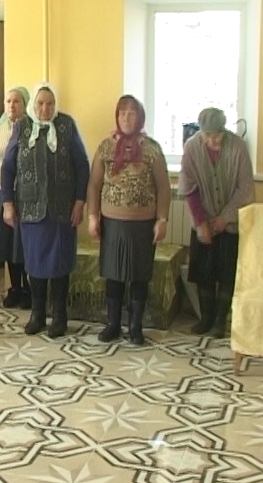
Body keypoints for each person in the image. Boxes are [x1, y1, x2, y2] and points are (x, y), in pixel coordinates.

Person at [1, 83, 90, 338]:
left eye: (50, 103)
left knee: (60, 264)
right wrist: (8, 204)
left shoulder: (66, 125)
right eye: (40, 103)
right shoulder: (23, 127)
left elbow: (82, 165)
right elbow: (8, 167)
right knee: (35, 265)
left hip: (62, 211)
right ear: (33, 105)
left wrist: (80, 202)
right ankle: (37, 314)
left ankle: (59, 317)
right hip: (31, 211)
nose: (45, 108)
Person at [87, 95, 171, 345]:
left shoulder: (152, 149)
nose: (126, 118)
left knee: (139, 275)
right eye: (122, 113)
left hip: (143, 225)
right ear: (117, 116)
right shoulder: (105, 147)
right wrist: (92, 216)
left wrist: (162, 219)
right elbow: (94, 185)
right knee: (113, 274)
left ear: (140, 117)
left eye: (132, 113)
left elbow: (164, 188)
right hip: (112, 223)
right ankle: (113, 324)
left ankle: (135, 327)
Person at [177, 107, 254, 338]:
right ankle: (206, 318)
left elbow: (245, 189)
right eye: (208, 135)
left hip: (230, 221)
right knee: (204, 270)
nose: (213, 141)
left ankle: (220, 321)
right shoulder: (192, 147)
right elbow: (188, 188)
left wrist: (224, 218)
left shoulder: (238, 148)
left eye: (217, 135)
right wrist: (201, 223)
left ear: (224, 131)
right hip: (203, 219)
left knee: (227, 271)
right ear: (201, 132)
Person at [0, 86, 32, 309]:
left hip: (23, 195)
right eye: (8, 101)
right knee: (7, 245)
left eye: (16, 101)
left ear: (25, 104)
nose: (12, 105)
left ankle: (28, 289)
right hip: (0, 192)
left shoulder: (31, 130)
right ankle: (14, 288)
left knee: (22, 245)